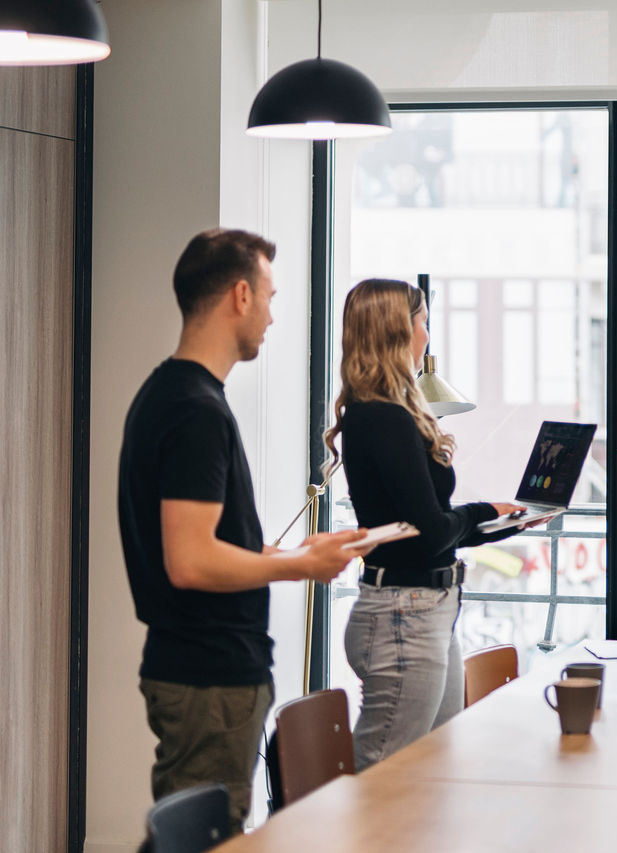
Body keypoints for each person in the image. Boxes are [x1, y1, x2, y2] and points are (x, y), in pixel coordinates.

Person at [118, 229, 370, 831]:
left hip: (203, 668)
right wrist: (299, 566)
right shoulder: (193, 411)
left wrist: (279, 553)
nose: (272, 316)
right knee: (204, 838)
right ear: (239, 295)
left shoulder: (175, 395)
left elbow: (199, 544)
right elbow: (190, 561)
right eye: (270, 296)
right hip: (207, 673)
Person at [324, 278, 528, 770]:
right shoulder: (380, 417)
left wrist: (499, 522)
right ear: (398, 332)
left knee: (430, 771)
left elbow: (426, 527)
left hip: (424, 610)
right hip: (403, 615)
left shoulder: (384, 412)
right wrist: (483, 513)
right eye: (424, 324)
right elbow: (430, 531)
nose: (428, 337)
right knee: (386, 776)